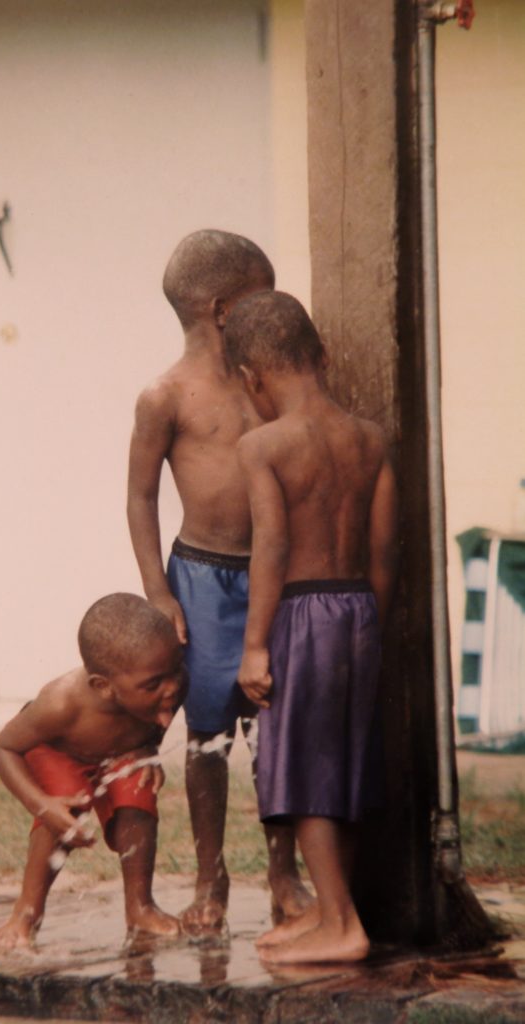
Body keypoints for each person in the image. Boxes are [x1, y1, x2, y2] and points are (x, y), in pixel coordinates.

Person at [127, 230, 310, 935]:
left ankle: (283, 870)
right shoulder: (165, 396)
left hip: (274, 576)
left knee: (278, 732)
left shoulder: (269, 383)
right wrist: (158, 592)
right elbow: (140, 497)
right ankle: (210, 875)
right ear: (225, 306)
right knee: (207, 735)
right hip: (200, 579)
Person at [224, 290, 398, 964]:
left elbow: (269, 545)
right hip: (357, 609)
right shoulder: (368, 438)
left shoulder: (262, 445)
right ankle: (330, 909)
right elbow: (383, 551)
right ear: (320, 356)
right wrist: (371, 626)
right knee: (343, 766)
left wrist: (255, 645)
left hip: (299, 614)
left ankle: (341, 926)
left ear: (251, 376)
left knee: (300, 770)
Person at [0, 593, 185, 952]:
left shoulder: (167, 679)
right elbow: (2, 749)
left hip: (118, 752)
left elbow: (158, 717)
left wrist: (150, 748)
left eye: (176, 671)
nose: (171, 687)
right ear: (103, 686)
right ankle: (26, 911)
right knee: (66, 808)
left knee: (137, 791)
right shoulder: (60, 703)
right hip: (57, 753)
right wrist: (41, 804)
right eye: (155, 684)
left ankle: (140, 907)